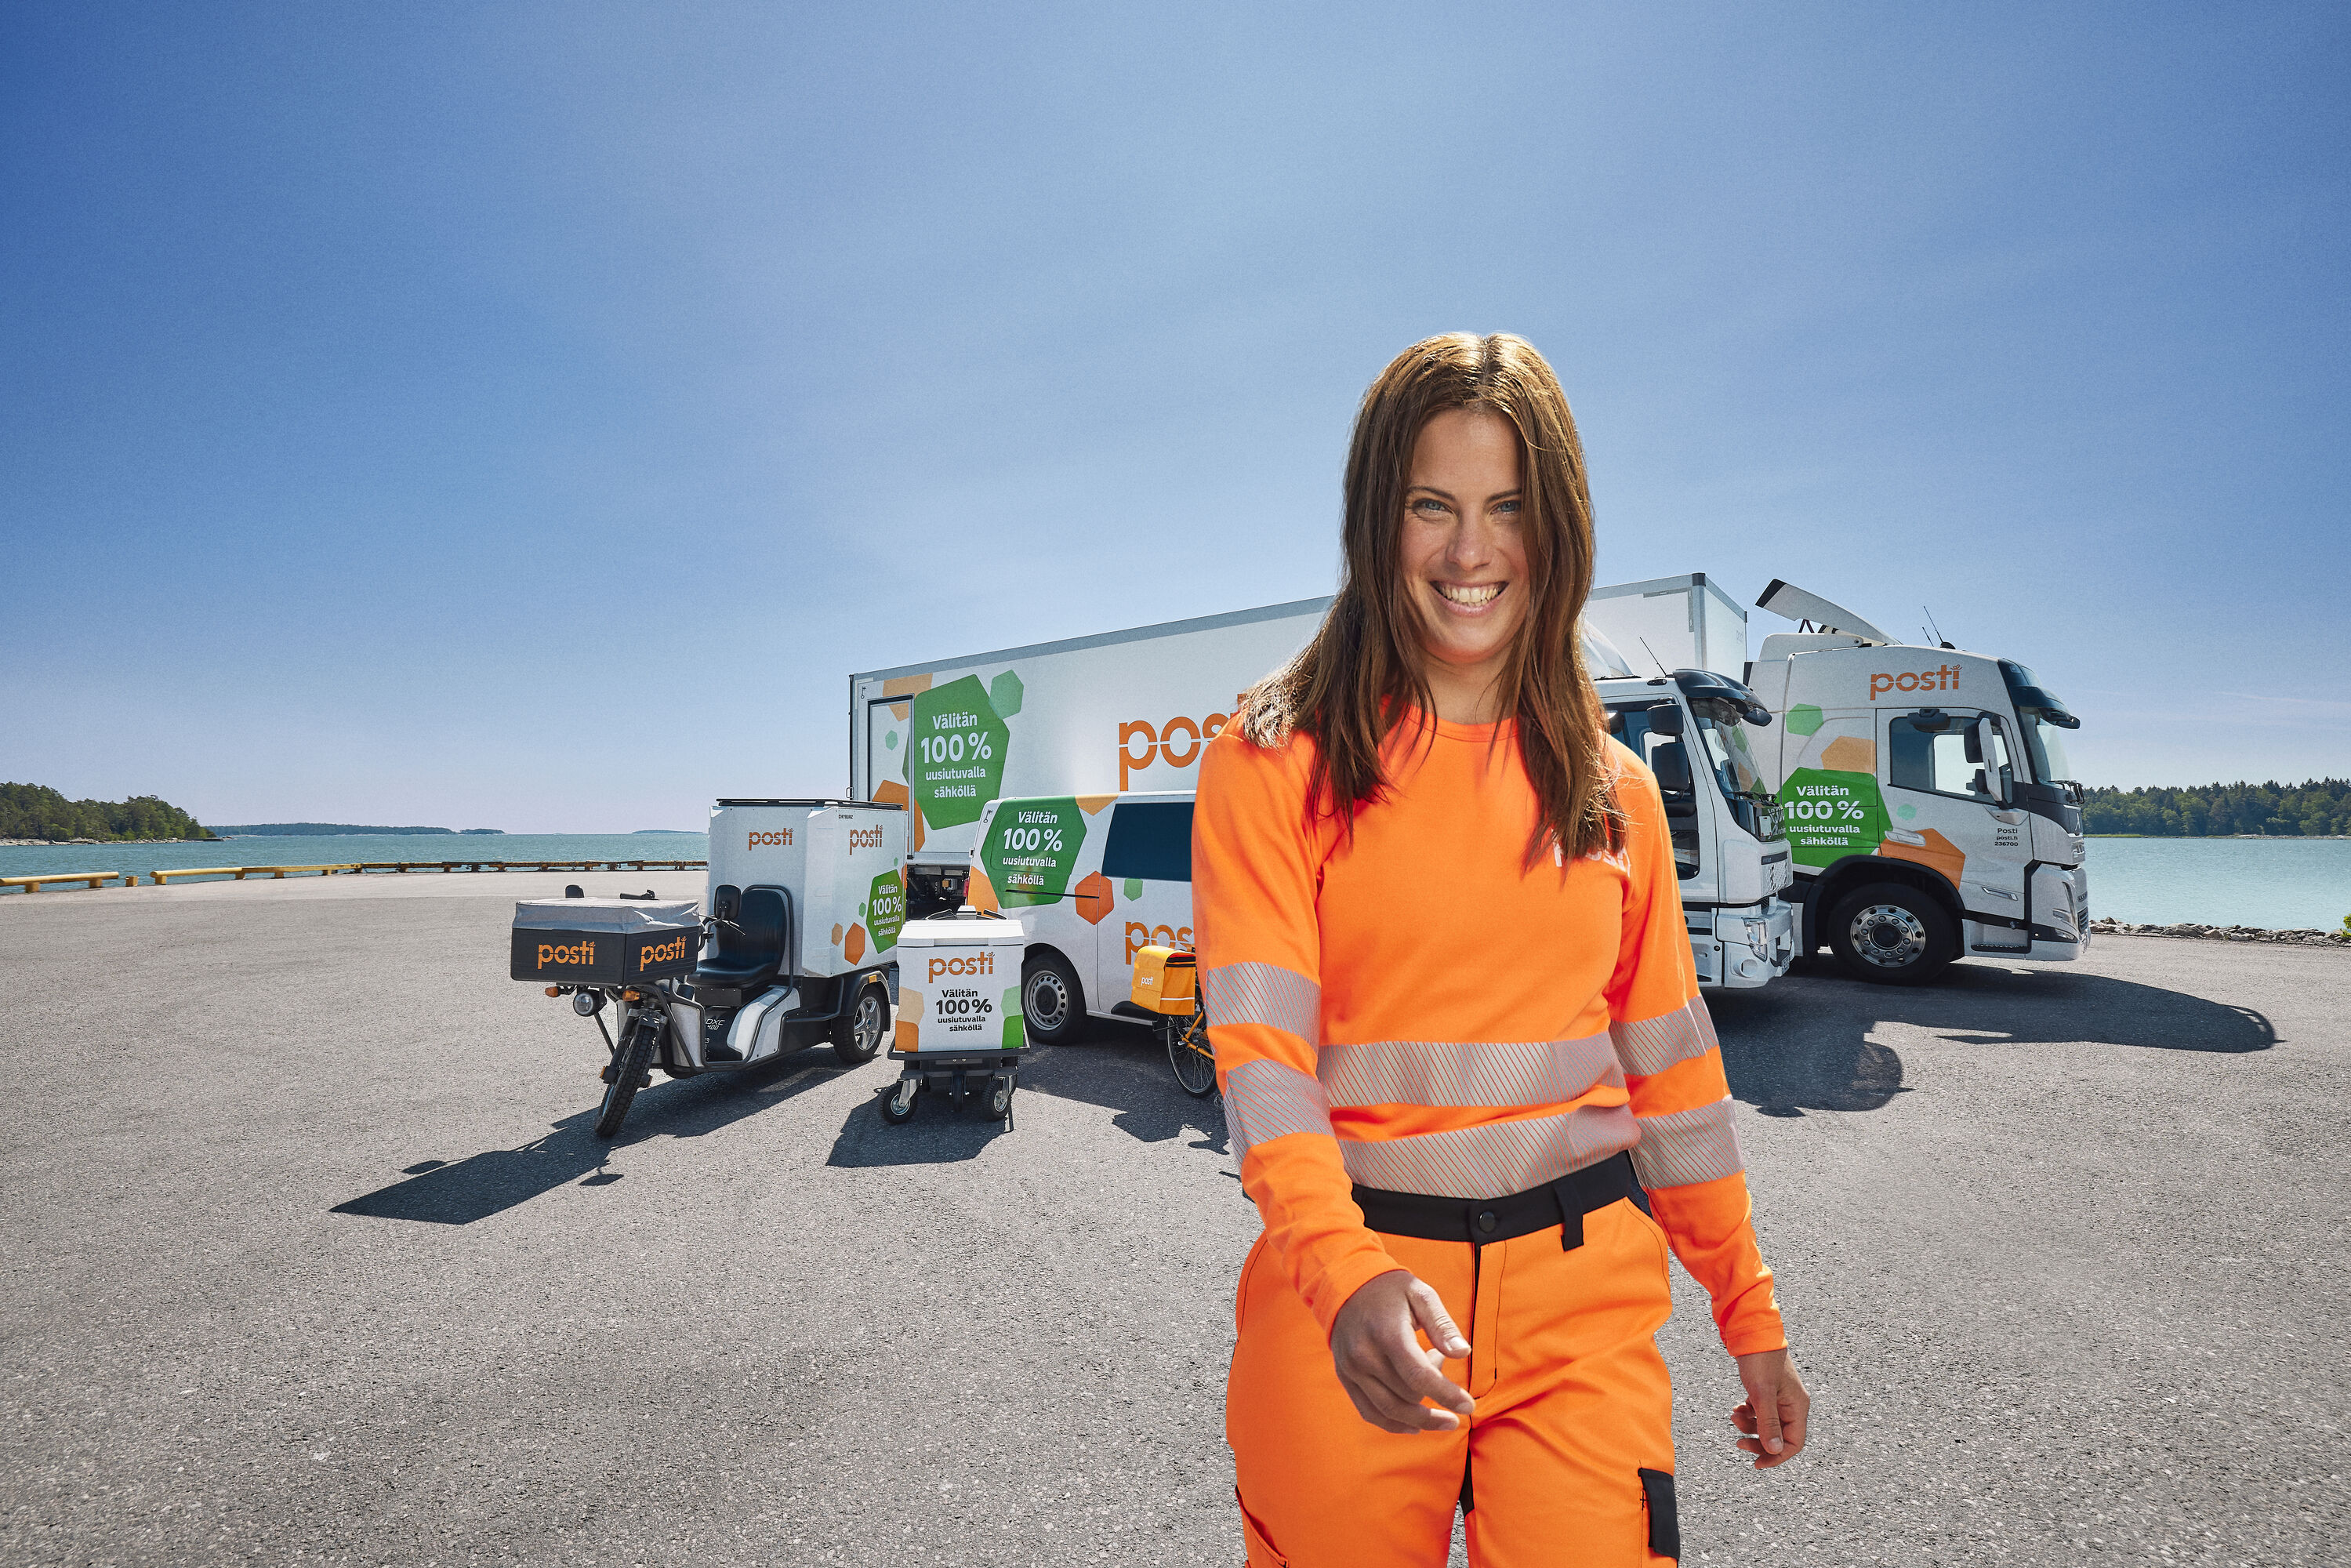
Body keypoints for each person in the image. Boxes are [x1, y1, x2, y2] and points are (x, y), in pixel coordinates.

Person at [1194, 332, 1809, 1566]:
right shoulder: (1272, 763)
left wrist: (1751, 1315)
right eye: (1434, 507)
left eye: (1508, 509)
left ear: (1558, 529)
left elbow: (1678, 1085)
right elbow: (1264, 1065)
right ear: (1380, 520)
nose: (1472, 554)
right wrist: (1344, 1274)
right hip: (1348, 1302)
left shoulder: (1616, 794)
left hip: (1584, 1315)